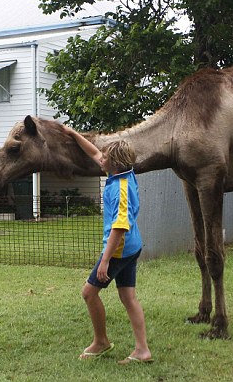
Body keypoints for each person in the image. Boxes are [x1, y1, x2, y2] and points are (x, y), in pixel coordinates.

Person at [63, 125, 153, 365]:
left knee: (89, 293)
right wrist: (72, 134)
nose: (99, 159)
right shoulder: (122, 174)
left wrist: (105, 260)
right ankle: (142, 350)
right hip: (132, 247)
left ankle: (101, 341)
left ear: (114, 163)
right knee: (128, 297)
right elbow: (94, 153)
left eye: (105, 157)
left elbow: (119, 227)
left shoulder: (120, 188)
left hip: (120, 250)